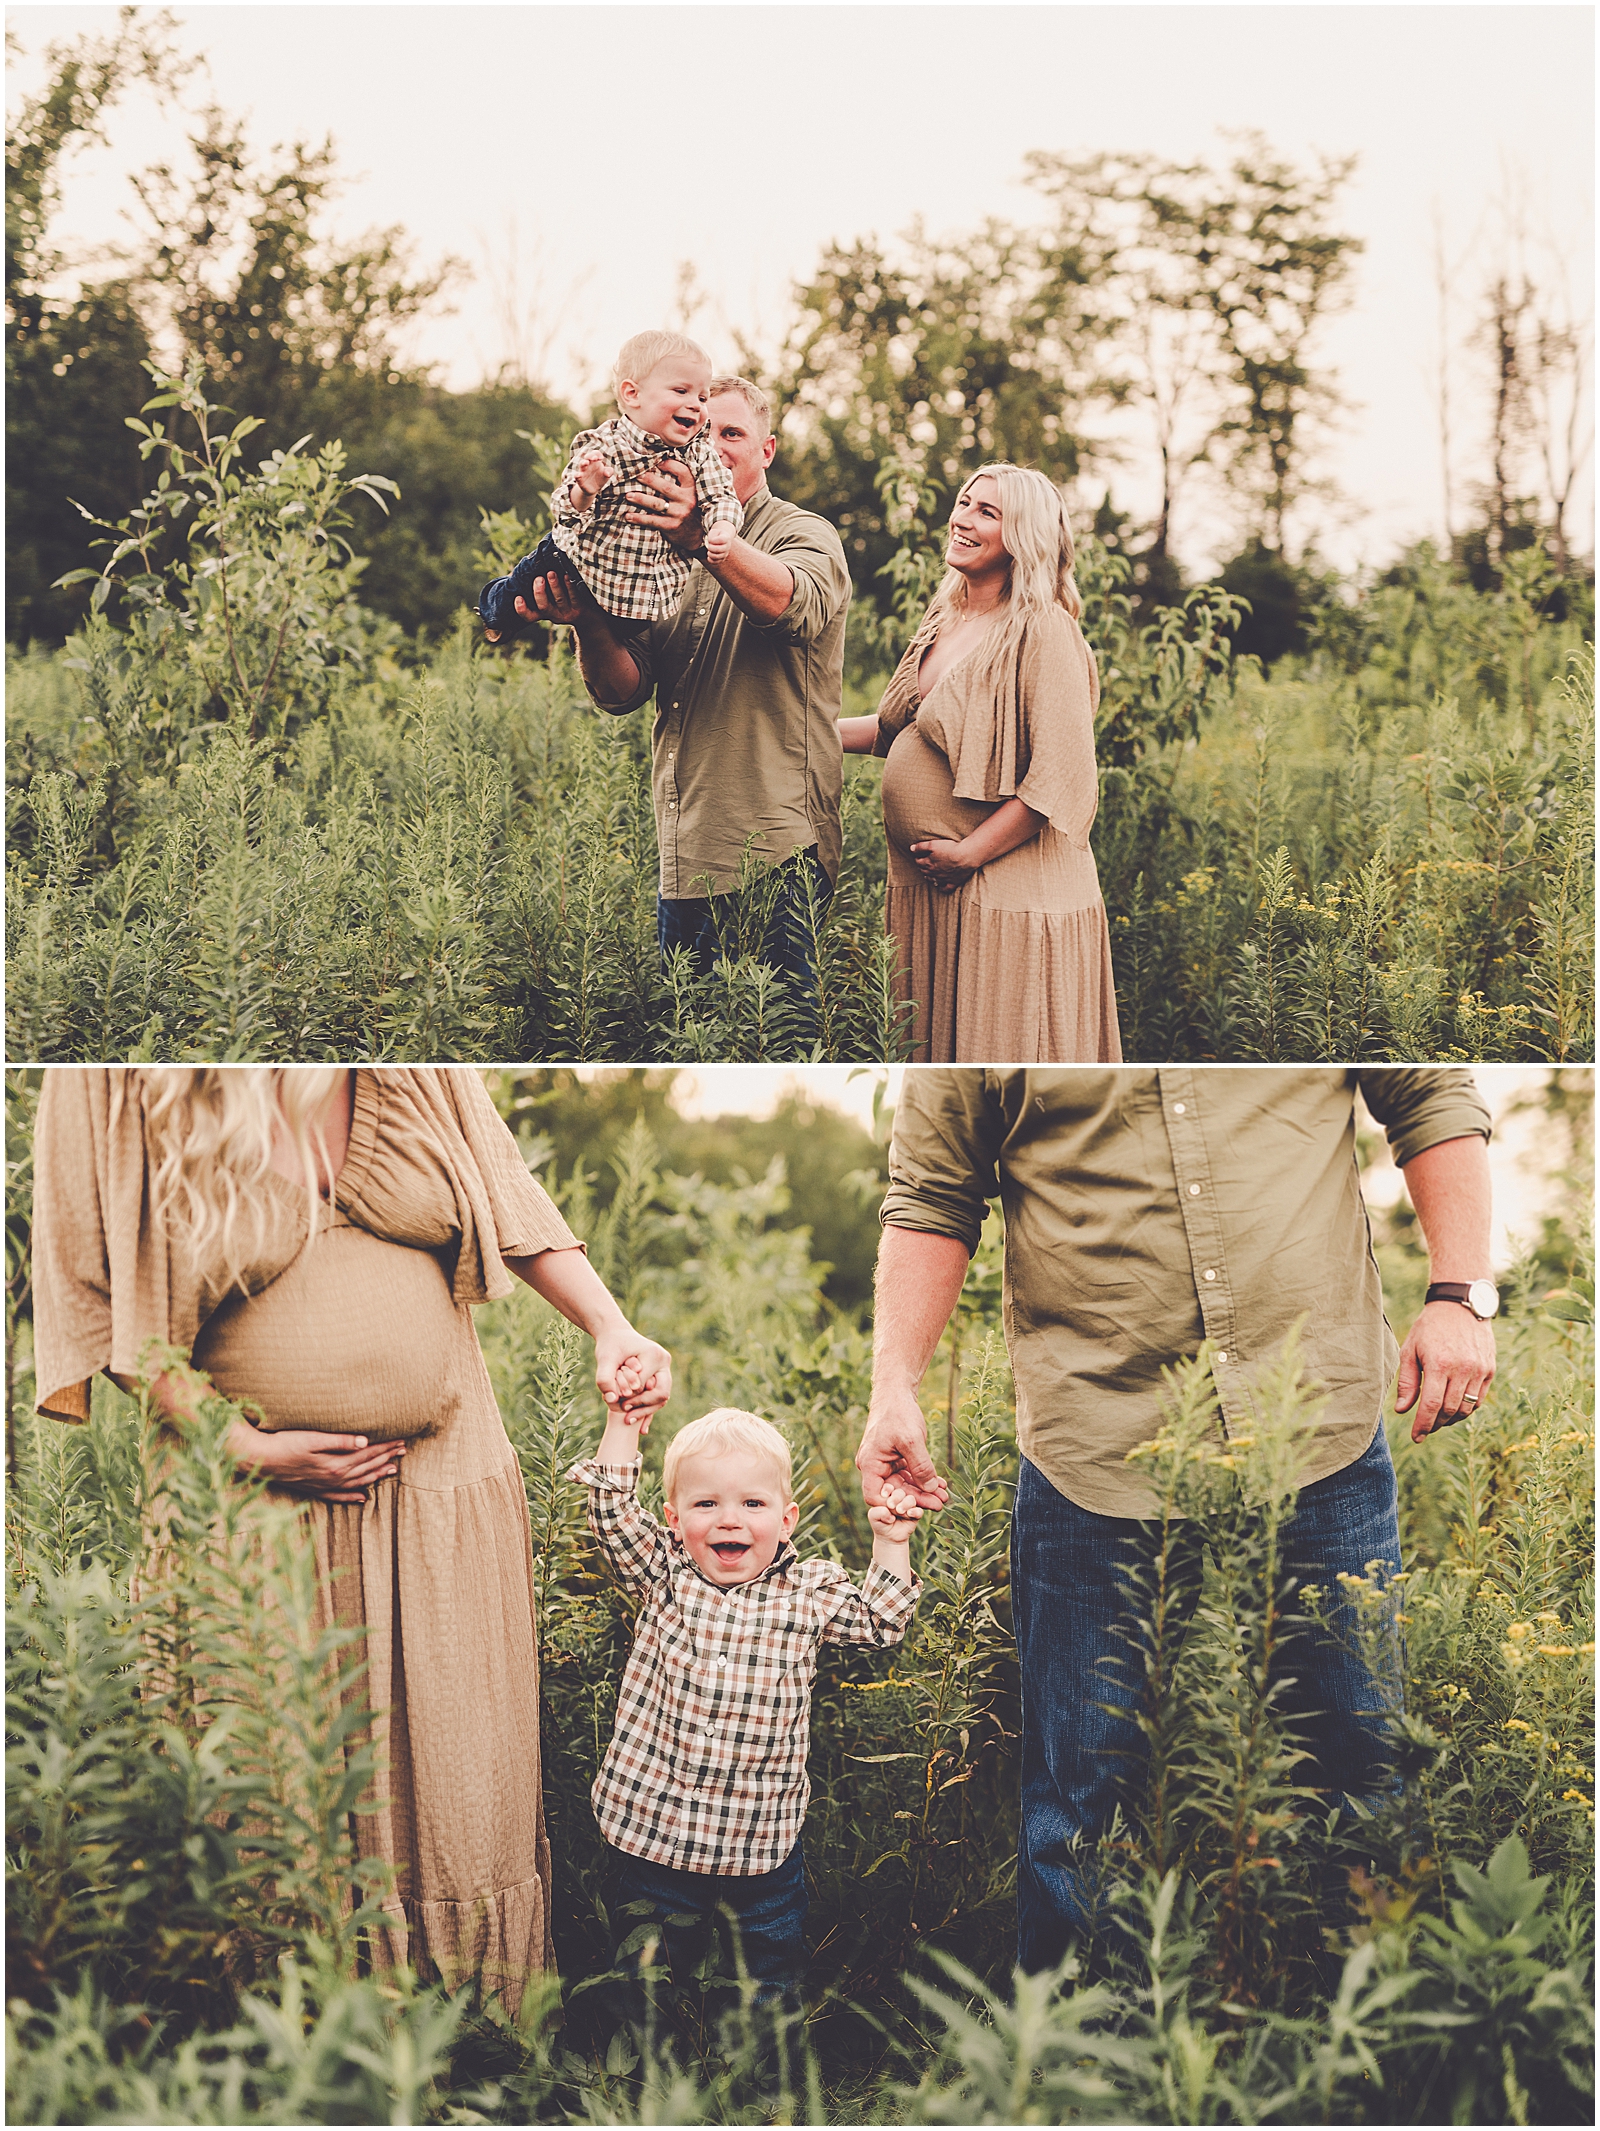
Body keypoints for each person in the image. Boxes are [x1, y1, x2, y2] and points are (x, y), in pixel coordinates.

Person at [29, 1065, 673, 2014]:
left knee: (455, 1780)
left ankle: (475, 2040)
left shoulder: (402, 1055)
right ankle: (287, 2049)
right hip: (245, 1506)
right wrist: (245, 1445)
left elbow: (508, 1194)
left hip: (442, 1491)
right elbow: (96, 1294)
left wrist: (610, 1325)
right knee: (275, 1787)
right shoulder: (119, 1083)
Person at [854, 1067, 1498, 1970]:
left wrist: (1461, 1292)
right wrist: (895, 1386)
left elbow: (1430, 1092)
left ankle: (1374, 2052)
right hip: (1095, 1451)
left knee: (1365, 1768)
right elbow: (932, 1193)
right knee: (1085, 1805)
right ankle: (1080, 2075)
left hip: (1317, 1425)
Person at [569, 1404, 922, 2008]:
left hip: (761, 1842)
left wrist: (890, 1541)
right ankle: (645, 2071)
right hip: (655, 1829)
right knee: (646, 1972)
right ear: (674, 1519)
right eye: (706, 1505)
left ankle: (758, 2079)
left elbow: (880, 1622)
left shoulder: (807, 1592)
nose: (729, 1520)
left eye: (752, 1505)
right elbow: (610, 1513)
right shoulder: (665, 1574)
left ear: (786, 1520)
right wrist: (623, 1422)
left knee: (765, 1977)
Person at [517, 378, 850, 1001]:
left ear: (767, 450)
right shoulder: (652, 548)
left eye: (733, 433)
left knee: (775, 1041)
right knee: (690, 1037)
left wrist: (705, 539)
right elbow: (623, 691)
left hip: (779, 849)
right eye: (702, 432)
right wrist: (588, 621)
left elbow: (791, 605)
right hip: (685, 850)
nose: (715, 447)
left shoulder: (806, 533)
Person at [838, 466, 1121, 1063]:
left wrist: (969, 854)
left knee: (999, 1059)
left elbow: (1061, 777)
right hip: (934, 890)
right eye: (964, 503)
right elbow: (898, 732)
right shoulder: (944, 620)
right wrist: (801, 734)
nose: (963, 518)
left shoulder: (1044, 630)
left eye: (987, 512)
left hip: (1006, 891)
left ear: (1023, 535)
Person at [478, 331, 741, 640]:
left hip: (636, 593)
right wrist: (586, 489)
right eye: (681, 391)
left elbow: (721, 493)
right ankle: (494, 612)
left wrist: (722, 525)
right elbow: (564, 509)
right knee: (518, 601)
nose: (695, 405)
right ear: (632, 394)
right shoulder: (605, 445)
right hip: (572, 563)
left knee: (614, 633)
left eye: (702, 397)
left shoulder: (699, 452)